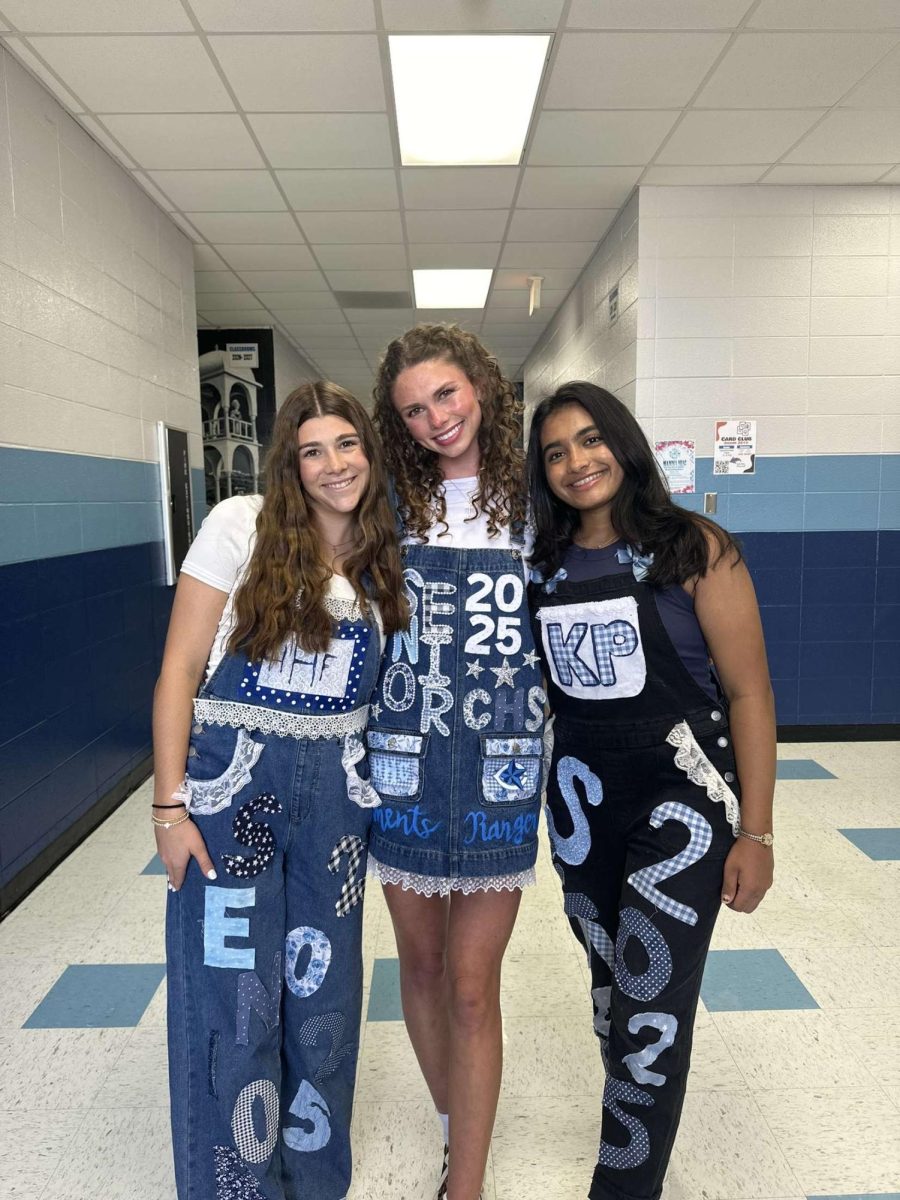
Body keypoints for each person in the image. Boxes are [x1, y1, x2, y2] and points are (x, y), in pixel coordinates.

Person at [152, 382, 407, 1200]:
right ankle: (234, 1183)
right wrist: (168, 806)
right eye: (312, 450)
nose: (334, 465)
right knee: (239, 1002)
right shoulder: (240, 526)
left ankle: (313, 1180)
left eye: (348, 445)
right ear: (289, 464)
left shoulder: (380, 554)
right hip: (232, 793)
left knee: (324, 997)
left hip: (335, 801)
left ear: (370, 451)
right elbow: (180, 673)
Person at [526, 382, 775, 1200]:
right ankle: (634, 1125)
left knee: (649, 1003)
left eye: (591, 440)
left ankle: (623, 1186)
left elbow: (749, 695)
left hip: (684, 811)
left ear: (624, 444)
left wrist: (758, 834)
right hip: (580, 808)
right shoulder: (545, 563)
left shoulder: (694, 547)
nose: (577, 462)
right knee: (611, 996)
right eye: (556, 451)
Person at [368, 324, 547, 1200]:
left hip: (504, 766)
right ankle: (453, 1125)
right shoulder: (387, 508)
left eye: (445, 393)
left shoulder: (537, 499)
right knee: (424, 967)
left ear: (480, 383)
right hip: (400, 758)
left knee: (474, 985)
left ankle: (464, 1185)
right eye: (412, 409)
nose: (435, 418)